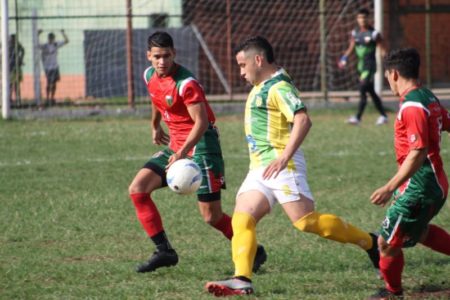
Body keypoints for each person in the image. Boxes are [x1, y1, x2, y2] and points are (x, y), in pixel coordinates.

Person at [205, 36, 380, 297]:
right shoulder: (263, 84)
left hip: (282, 165)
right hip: (261, 168)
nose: (241, 72)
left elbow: (303, 119)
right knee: (242, 219)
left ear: (258, 59)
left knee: (305, 222)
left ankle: (371, 242)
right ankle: (241, 278)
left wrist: (285, 156)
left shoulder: (278, 87)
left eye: (242, 65)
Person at [128, 31, 267, 274]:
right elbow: (156, 96)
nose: (162, 62)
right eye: (157, 56)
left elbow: (201, 123)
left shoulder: (186, 83)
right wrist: (154, 124)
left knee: (211, 216)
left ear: (174, 54)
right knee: (138, 190)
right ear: (149, 56)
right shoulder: (149, 74)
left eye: (167, 56)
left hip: (202, 146)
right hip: (177, 145)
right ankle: (164, 251)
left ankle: (255, 250)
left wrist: (182, 151)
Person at [367, 48, 450, 299]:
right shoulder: (427, 96)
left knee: (385, 243)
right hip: (433, 184)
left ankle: (393, 293)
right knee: (418, 231)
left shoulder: (412, 105)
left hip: (420, 186)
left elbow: (418, 151)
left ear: (393, 74)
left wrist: (389, 187)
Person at [338, 8, 388, 125]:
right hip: (360, 67)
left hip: (369, 66)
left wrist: (388, 62)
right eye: (360, 17)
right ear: (357, 19)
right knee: (371, 92)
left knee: (362, 89)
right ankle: (384, 116)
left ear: (368, 18)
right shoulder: (355, 32)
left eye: (364, 17)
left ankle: (357, 117)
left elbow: (382, 49)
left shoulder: (374, 34)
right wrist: (343, 58)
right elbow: (351, 47)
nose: (362, 20)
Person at [38, 29, 69, 106]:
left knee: (54, 83)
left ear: (54, 38)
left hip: (55, 67)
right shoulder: (45, 46)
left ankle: (52, 98)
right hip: (48, 67)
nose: (51, 39)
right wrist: (37, 35)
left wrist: (63, 33)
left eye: (52, 38)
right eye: (50, 38)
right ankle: (47, 98)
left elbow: (66, 41)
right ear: (48, 38)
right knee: (49, 83)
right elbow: (37, 44)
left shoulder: (56, 44)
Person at [8, 34, 25, 106]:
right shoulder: (8, 46)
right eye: (12, 39)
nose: (13, 40)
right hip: (10, 67)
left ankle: (18, 99)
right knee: (10, 84)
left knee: (16, 84)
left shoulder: (17, 45)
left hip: (16, 67)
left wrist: (21, 58)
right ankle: (9, 98)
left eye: (14, 39)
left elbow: (23, 50)